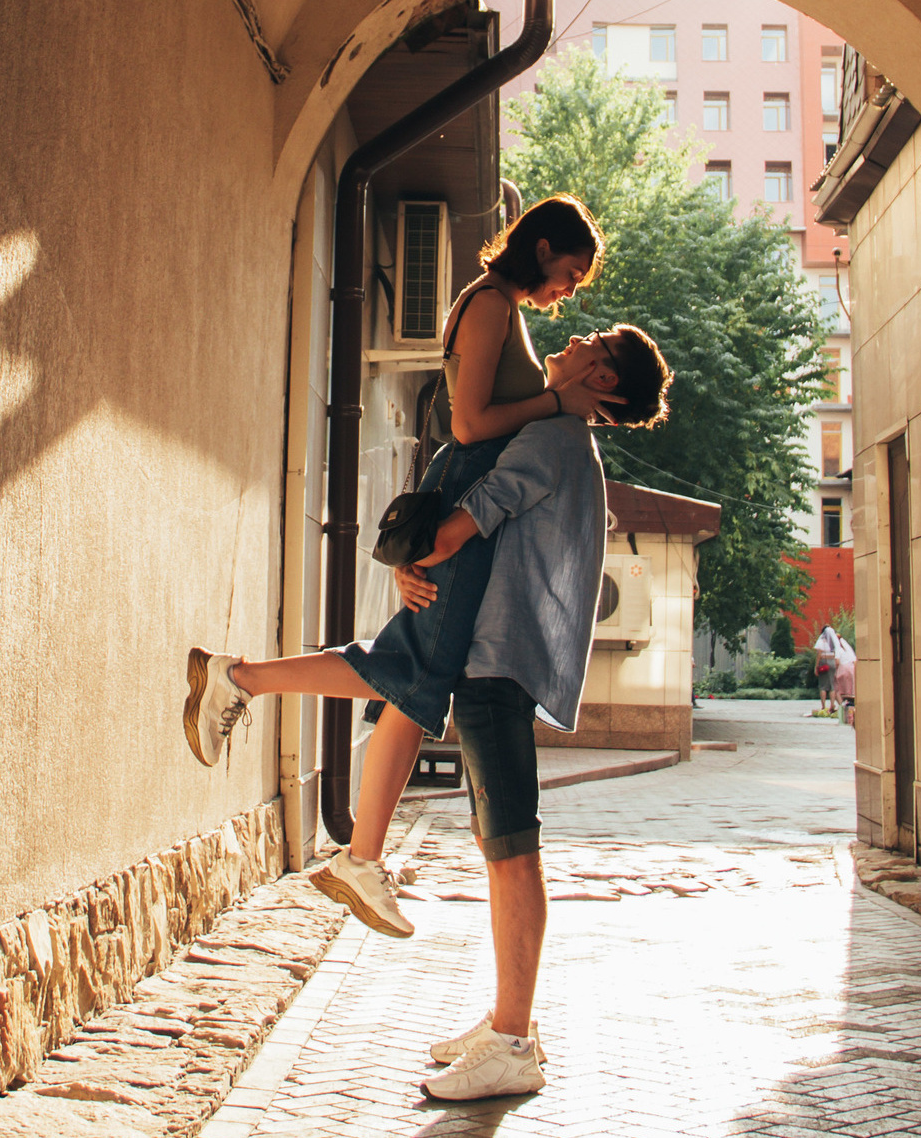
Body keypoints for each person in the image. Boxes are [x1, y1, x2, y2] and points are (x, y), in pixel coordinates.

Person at [184, 195, 615, 941]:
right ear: (543, 248)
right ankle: (355, 848)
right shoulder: (488, 305)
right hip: (462, 502)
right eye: (570, 274)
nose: (568, 293)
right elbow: (469, 423)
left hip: (462, 510)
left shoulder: (504, 310)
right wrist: (552, 402)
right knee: (412, 676)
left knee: (405, 672)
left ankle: (248, 692)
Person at [406, 327, 674, 1101]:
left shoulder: (554, 435)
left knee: (511, 847)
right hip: (503, 662)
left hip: (497, 663)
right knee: (503, 844)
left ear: (599, 372)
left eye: (594, 340)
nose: (576, 335)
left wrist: (412, 566)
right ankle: (505, 1022)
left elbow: (476, 513)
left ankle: (514, 1042)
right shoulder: (569, 443)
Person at [813, 624, 839, 711]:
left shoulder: (821, 640)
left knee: (823, 685)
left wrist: (816, 666)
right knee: (832, 685)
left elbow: (819, 653)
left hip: (824, 662)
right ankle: (832, 705)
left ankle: (823, 706)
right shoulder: (833, 641)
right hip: (832, 661)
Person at [833, 628, 856, 723]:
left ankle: (841, 708)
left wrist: (835, 671)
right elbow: (855, 659)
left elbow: (837, 661)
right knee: (850, 690)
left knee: (836, 688)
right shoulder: (847, 647)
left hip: (843, 668)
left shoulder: (837, 648)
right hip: (851, 668)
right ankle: (851, 709)